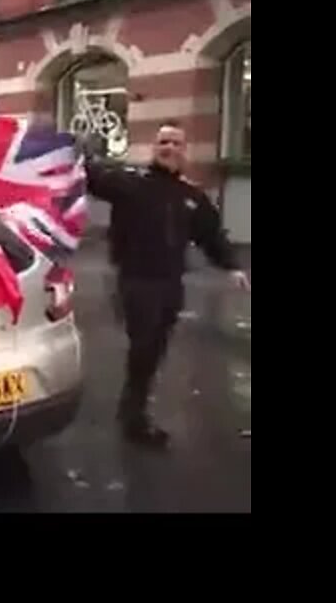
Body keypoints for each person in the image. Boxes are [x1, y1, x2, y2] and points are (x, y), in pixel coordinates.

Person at [82, 124, 251, 448]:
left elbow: (211, 236)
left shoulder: (192, 196)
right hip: (136, 282)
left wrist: (230, 266)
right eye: (163, 142)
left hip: (171, 284)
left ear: (184, 150)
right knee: (144, 347)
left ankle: (133, 408)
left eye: (175, 142)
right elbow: (93, 177)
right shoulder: (131, 183)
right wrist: (74, 152)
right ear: (153, 147)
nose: (169, 147)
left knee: (154, 350)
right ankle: (135, 419)